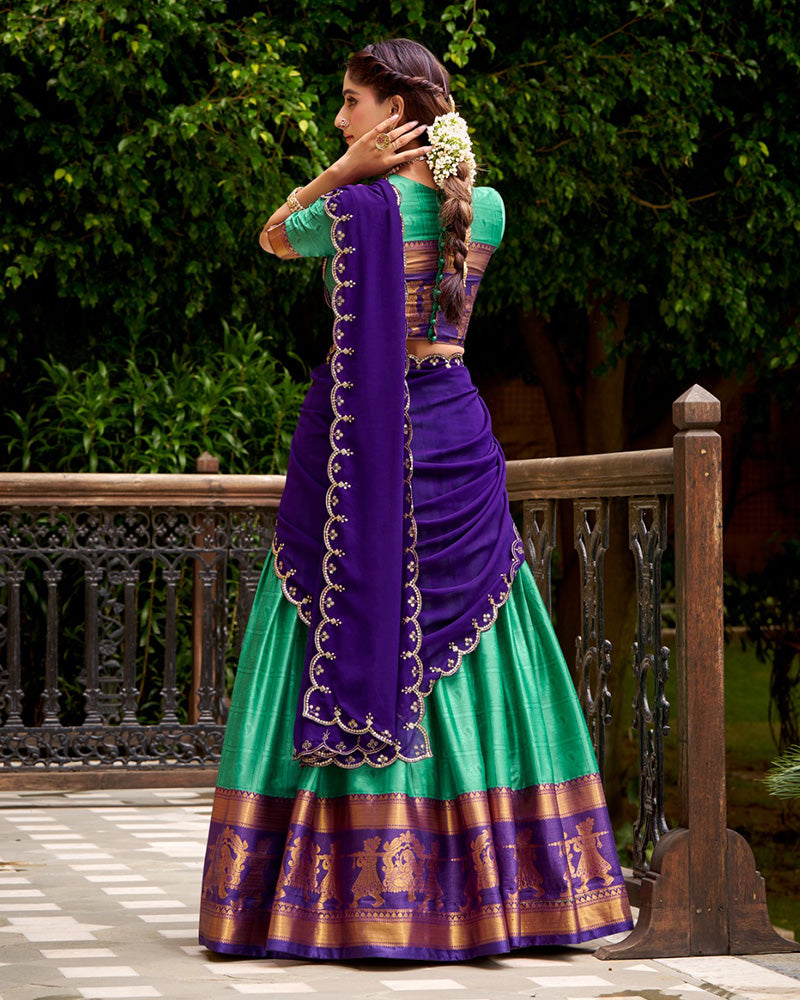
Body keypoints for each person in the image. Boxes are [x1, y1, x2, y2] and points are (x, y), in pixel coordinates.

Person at [199, 38, 633, 961]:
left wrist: (338, 175)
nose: (339, 119)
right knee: (475, 632)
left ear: (393, 111)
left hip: (354, 438)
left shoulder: (348, 209)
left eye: (349, 102)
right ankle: (500, 895)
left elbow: (272, 236)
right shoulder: (489, 207)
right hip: (454, 431)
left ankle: (331, 897)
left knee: (337, 608)